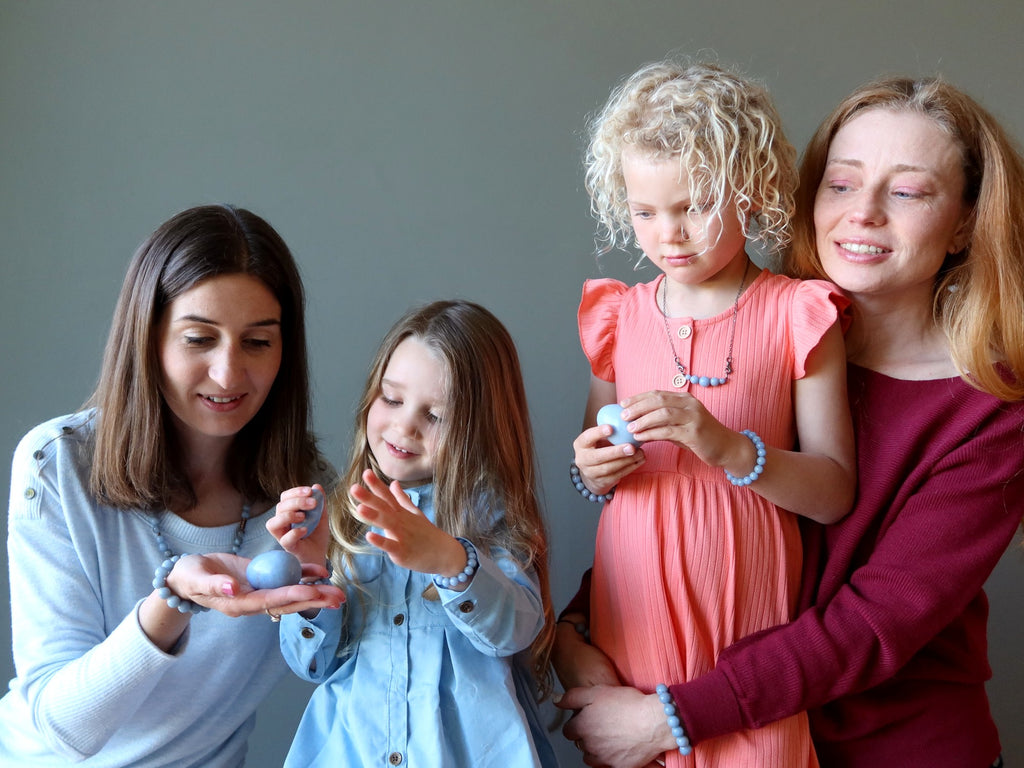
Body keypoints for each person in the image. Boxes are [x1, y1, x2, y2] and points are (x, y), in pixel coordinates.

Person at [555, 74, 1024, 768]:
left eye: (907, 191)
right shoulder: (766, 329)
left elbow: (871, 623)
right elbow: (679, 516)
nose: (862, 213)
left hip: (883, 749)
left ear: (963, 221)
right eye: (842, 184)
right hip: (713, 721)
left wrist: (669, 719)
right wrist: (577, 632)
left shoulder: (992, 414)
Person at [559, 59, 856, 767]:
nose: (669, 234)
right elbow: (595, 464)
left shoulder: (800, 314)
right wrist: (590, 467)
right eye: (645, 211)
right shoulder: (616, 317)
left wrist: (729, 448)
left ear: (749, 191)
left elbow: (835, 492)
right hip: (633, 624)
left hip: (748, 636)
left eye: (694, 205)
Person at [0, 204, 345, 767]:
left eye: (257, 342)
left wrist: (318, 594)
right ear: (149, 337)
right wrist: (173, 601)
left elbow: (340, 665)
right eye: (198, 339)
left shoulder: (304, 504)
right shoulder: (56, 463)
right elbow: (63, 728)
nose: (229, 374)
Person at [268, 299, 558, 767]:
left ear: (478, 429)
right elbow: (313, 664)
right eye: (393, 399)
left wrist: (451, 561)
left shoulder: (490, 515)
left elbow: (516, 630)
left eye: (436, 416)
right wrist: (309, 576)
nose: (404, 426)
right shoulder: (342, 516)